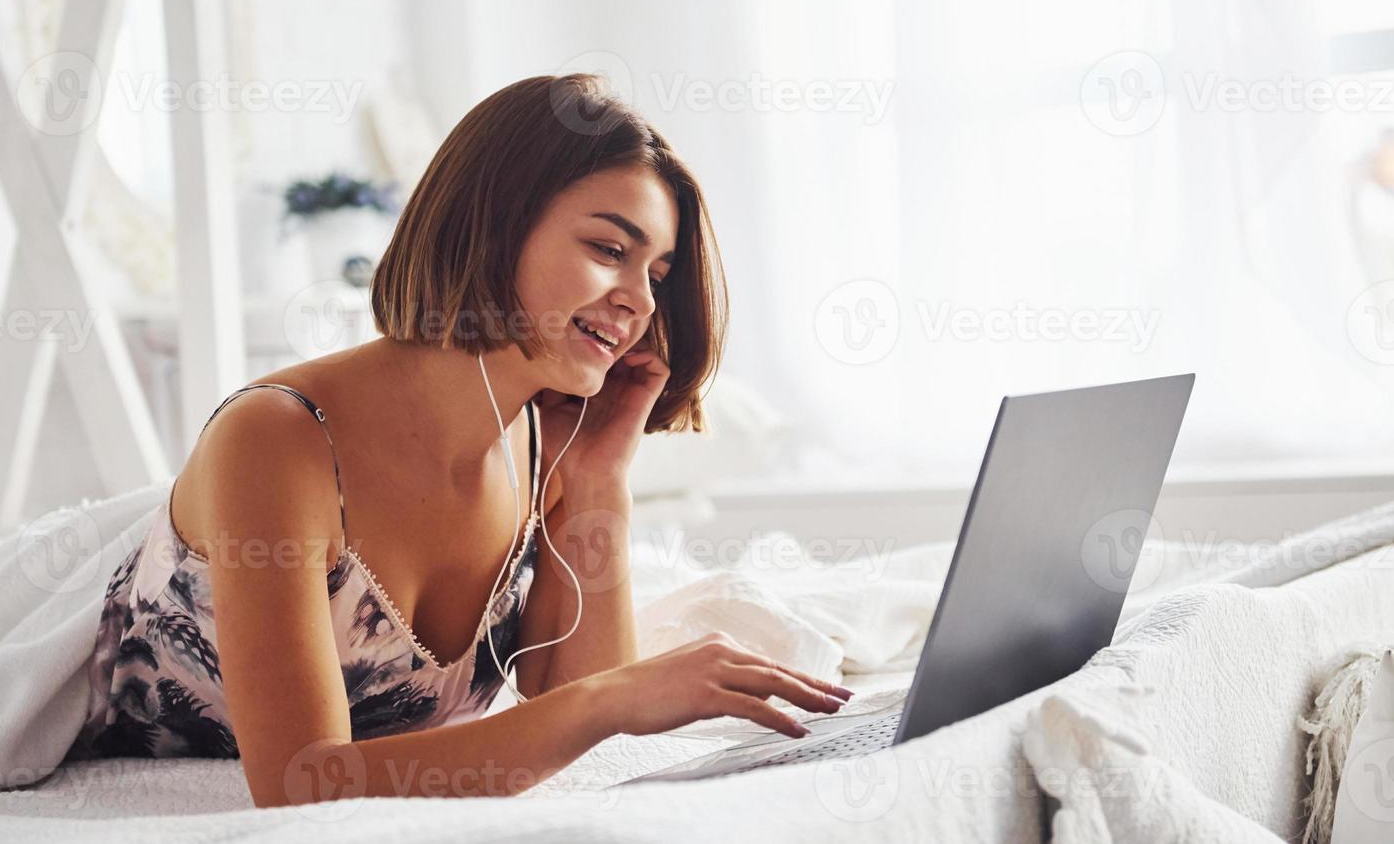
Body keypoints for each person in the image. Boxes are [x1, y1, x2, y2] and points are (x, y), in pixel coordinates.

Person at [64, 73, 853, 806]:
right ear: (493, 227)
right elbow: (302, 783)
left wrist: (599, 477)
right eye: (609, 250)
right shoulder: (275, 440)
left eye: (657, 271)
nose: (639, 301)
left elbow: (570, 690)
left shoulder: (542, 441)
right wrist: (614, 698)